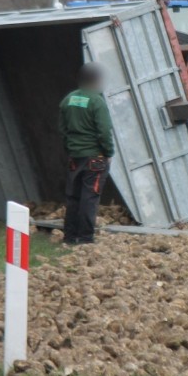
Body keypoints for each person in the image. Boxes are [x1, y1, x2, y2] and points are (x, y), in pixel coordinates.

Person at [58, 63, 115, 245]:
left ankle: (69, 237)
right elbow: (104, 131)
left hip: (75, 157)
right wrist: (108, 152)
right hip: (95, 158)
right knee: (89, 198)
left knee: (74, 197)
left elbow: (62, 129)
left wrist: (71, 149)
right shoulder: (97, 101)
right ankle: (85, 239)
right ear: (96, 80)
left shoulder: (68, 100)